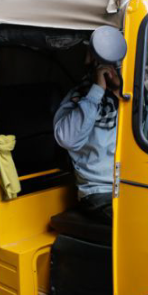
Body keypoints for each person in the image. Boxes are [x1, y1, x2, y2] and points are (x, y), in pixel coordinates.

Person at [53, 53, 121, 225]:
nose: (119, 68)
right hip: (100, 192)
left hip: (135, 187)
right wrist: (97, 91)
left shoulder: (135, 99)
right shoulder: (83, 97)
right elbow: (67, 139)